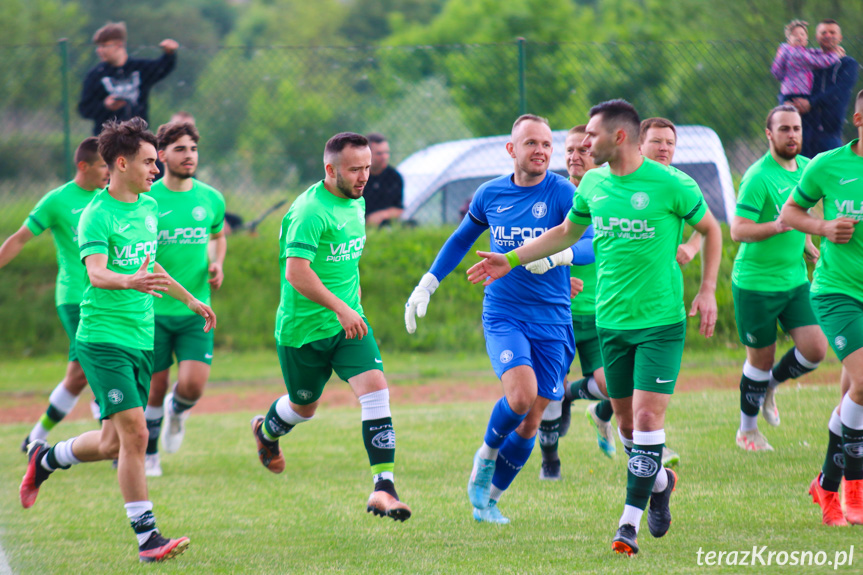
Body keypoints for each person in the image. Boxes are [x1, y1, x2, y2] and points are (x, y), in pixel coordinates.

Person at [466, 100, 722, 555]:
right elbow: (565, 233)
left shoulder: (671, 184)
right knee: (626, 426)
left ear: (618, 137)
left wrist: (706, 290)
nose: (583, 145)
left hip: (661, 324)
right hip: (611, 322)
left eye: (593, 136)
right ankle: (661, 481)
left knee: (646, 419)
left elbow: (711, 228)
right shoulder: (595, 186)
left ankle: (628, 525)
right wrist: (508, 259)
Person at [19, 117, 216, 563]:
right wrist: (130, 283)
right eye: (149, 161)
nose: (157, 169)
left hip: (140, 338)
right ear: (121, 163)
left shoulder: (148, 208)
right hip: (103, 338)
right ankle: (148, 539)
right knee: (135, 433)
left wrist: (191, 301)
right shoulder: (96, 214)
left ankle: (45, 459)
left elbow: (153, 267)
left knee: (111, 443)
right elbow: (97, 273)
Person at [405, 114, 578, 524]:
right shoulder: (491, 194)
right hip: (504, 311)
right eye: (531, 143)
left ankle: (489, 500)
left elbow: (590, 241)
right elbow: (461, 238)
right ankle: (485, 455)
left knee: (534, 415)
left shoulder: (563, 193)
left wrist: (557, 255)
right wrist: (428, 283)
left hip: (553, 317)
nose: (540, 151)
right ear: (511, 149)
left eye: (546, 145)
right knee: (520, 396)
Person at [250, 132, 411, 522]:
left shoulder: (357, 201)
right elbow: (296, 273)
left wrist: (347, 309)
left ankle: (383, 488)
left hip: (349, 324)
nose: (364, 177)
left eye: (368, 168)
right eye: (355, 169)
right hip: (302, 331)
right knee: (303, 407)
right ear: (330, 169)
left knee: (375, 391)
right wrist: (339, 307)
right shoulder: (309, 211)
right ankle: (266, 432)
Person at [781, 89, 863, 527]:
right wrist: (824, 226)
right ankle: (854, 488)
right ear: (857, 118)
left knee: (856, 396)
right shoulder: (828, 164)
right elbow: (790, 212)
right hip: (837, 291)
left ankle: (826, 487)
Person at [0, 138, 109, 450]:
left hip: (106, 295)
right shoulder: (57, 200)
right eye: (103, 165)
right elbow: (20, 238)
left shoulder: (109, 198)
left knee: (77, 376)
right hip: (75, 298)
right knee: (98, 361)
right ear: (83, 166)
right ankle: (114, 436)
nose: (108, 171)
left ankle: (34, 438)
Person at [730, 104, 826, 452]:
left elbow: (802, 214)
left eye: (796, 128)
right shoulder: (758, 176)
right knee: (761, 359)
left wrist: (808, 245)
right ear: (769, 134)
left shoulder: (806, 169)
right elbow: (738, 231)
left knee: (815, 350)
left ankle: (771, 386)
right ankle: (747, 430)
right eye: (784, 129)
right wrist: (778, 226)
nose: (792, 135)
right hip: (755, 285)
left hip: (795, 280)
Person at [142, 121, 227, 477]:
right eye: (179, 149)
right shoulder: (147, 200)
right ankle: (149, 455)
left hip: (196, 309)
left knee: (192, 384)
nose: (188, 155)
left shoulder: (211, 198)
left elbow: (218, 235)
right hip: (154, 310)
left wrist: (218, 262)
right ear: (161, 156)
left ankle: (179, 412)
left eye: (192, 148)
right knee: (155, 388)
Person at [535, 125, 615, 481]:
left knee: (615, 387)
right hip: (557, 313)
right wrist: (557, 278)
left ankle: (572, 395)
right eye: (568, 150)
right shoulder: (552, 198)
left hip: (602, 314)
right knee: (547, 393)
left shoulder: (611, 196)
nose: (574, 156)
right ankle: (549, 459)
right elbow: (532, 252)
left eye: (583, 149)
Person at [78, 22, 178, 136]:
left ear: (119, 45)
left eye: (103, 45)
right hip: (105, 139)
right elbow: (84, 109)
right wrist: (105, 106)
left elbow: (163, 67)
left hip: (138, 136)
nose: (99, 50)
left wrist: (169, 53)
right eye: (98, 46)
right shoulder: (95, 75)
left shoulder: (139, 68)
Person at [793, 19, 859, 158]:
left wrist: (810, 103)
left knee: (832, 175)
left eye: (832, 32)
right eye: (823, 32)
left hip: (830, 132)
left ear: (840, 37)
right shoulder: (808, 62)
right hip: (805, 131)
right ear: (817, 37)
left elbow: (838, 91)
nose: (828, 35)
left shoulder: (848, 64)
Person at [770, 19, 841, 105]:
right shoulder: (796, 54)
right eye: (795, 35)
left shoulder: (791, 51)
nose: (799, 37)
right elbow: (819, 61)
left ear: (806, 39)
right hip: (796, 93)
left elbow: (814, 52)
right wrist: (835, 55)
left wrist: (826, 51)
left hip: (790, 91)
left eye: (802, 34)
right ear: (788, 40)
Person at [363, 133, 404, 227]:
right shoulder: (356, 177)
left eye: (387, 152)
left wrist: (381, 215)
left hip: (386, 226)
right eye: (379, 153)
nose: (384, 157)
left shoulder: (394, 177)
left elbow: (399, 210)